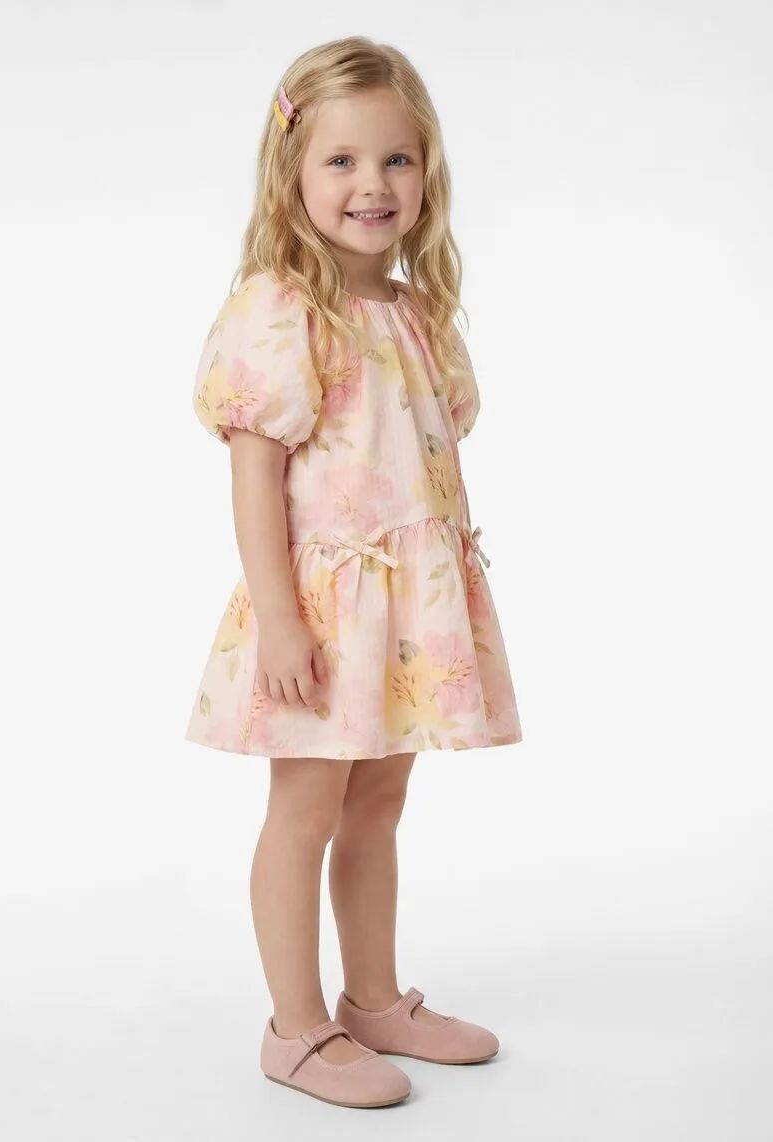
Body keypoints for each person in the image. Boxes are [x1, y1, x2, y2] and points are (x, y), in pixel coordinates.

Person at [184, 36, 523, 1109]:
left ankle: (373, 997)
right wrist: (281, 618)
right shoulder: (280, 309)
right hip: (324, 615)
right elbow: (254, 479)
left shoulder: (417, 311)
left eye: (396, 160)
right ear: (291, 171)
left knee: (379, 801)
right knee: (306, 809)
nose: (372, 185)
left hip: (407, 611)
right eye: (341, 160)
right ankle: (295, 1027)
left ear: (427, 172)